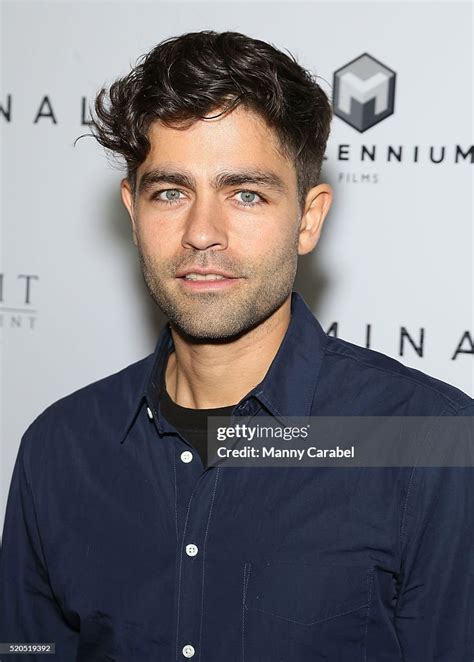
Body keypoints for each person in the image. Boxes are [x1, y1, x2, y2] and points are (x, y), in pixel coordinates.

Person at [0, 30, 472, 662]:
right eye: (170, 192)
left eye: (246, 194)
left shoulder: (429, 442)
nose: (202, 233)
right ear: (133, 212)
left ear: (307, 219)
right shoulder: (60, 448)